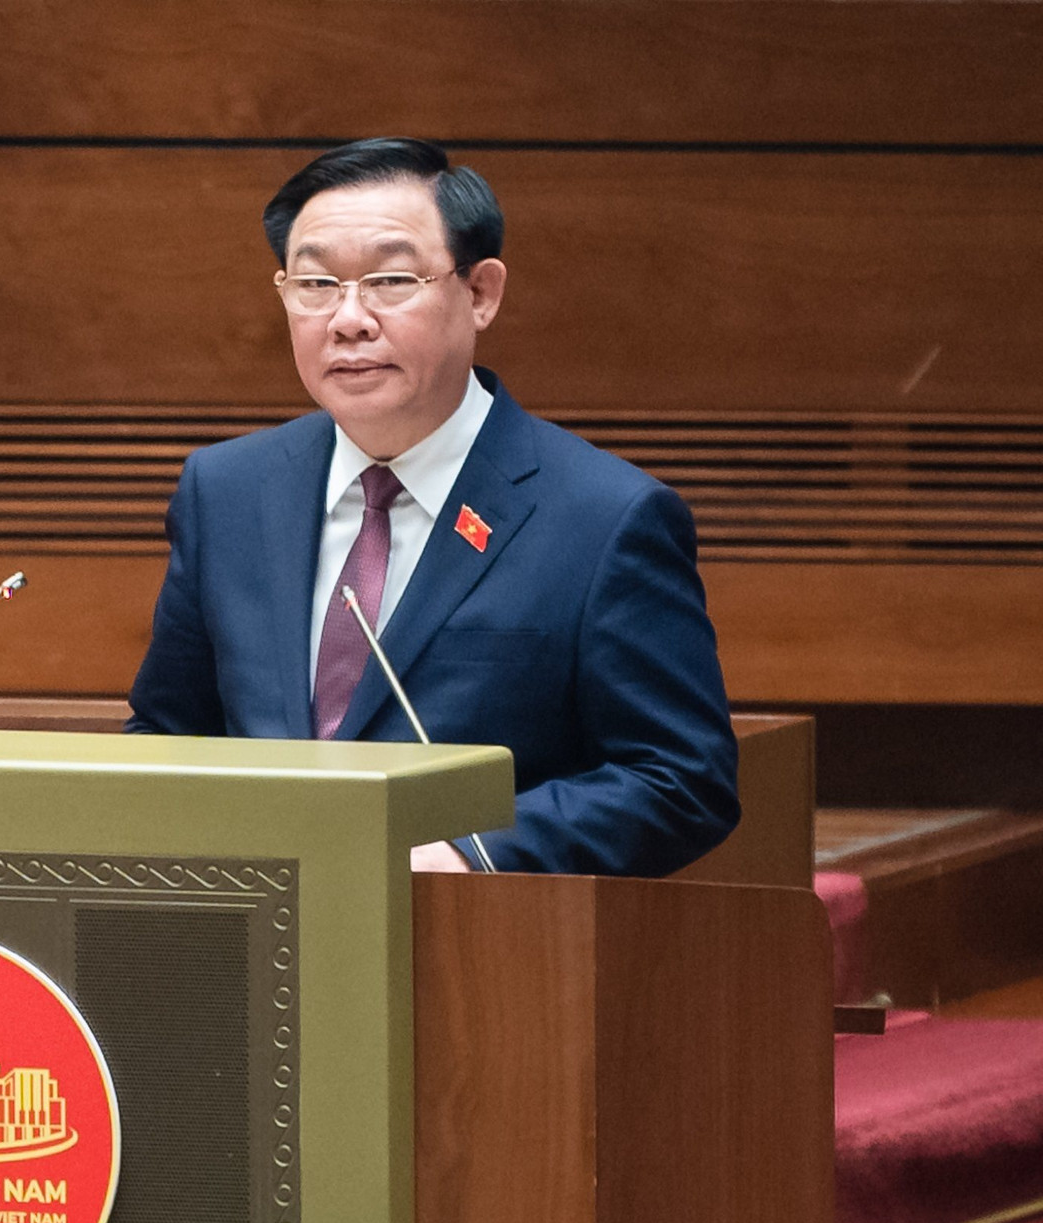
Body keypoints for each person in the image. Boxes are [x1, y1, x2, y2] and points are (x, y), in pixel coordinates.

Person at [126, 138, 738, 876]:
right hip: (259, 941)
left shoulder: (605, 518)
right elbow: (168, 732)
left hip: (481, 956)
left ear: (480, 293)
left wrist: (469, 853)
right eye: (315, 285)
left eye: (389, 279)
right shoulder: (225, 491)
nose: (348, 320)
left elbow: (679, 777)